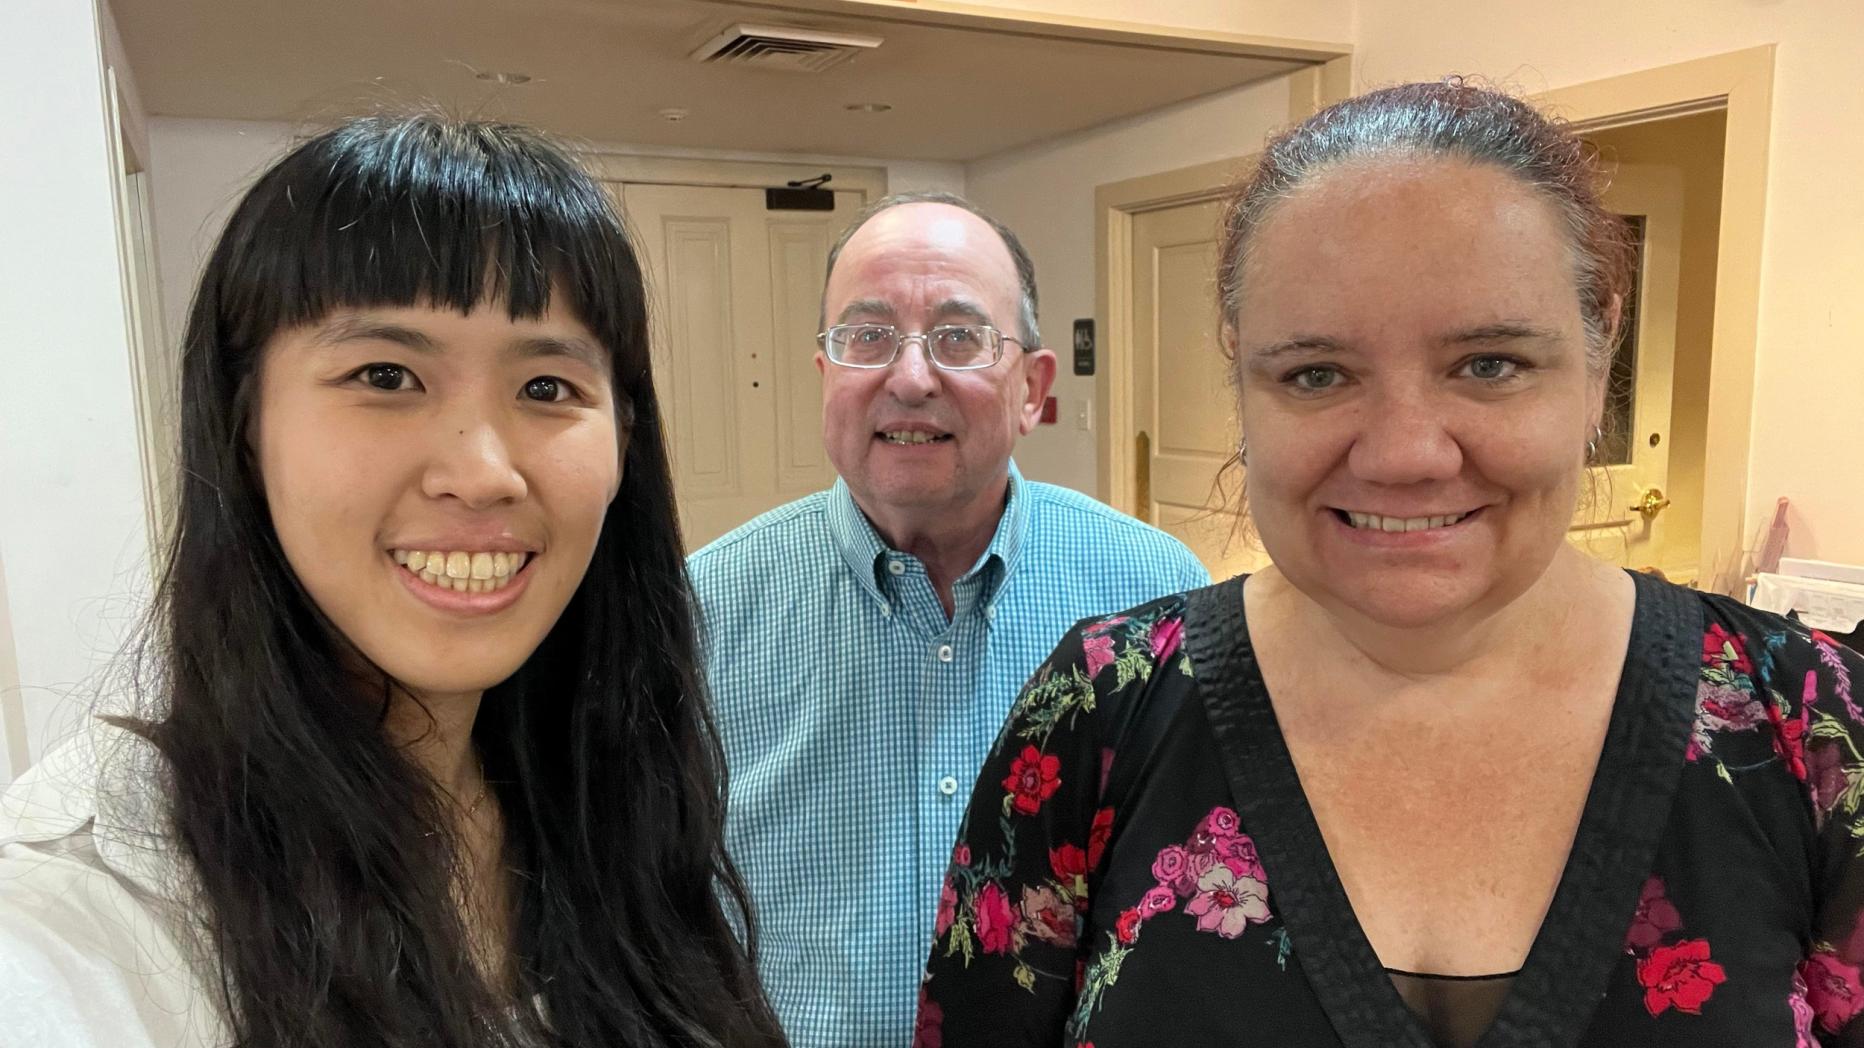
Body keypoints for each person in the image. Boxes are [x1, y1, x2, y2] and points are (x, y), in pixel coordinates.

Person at [920, 81, 1864, 1048]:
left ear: (1598, 353)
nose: (1406, 453)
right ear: (1243, 375)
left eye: (1489, 363)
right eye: (1317, 374)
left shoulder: (1810, 725)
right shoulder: (1100, 712)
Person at [0, 114, 785, 1048]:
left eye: (546, 388)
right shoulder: (74, 925)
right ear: (244, 424)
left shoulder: (610, 806)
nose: (484, 469)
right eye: (387, 373)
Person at [687, 192, 1208, 1046]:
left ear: (1034, 388)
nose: (912, 377)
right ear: (827, 375)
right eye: (868, 336)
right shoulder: (704, 611)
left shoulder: (1151, 592)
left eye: (960, 337)